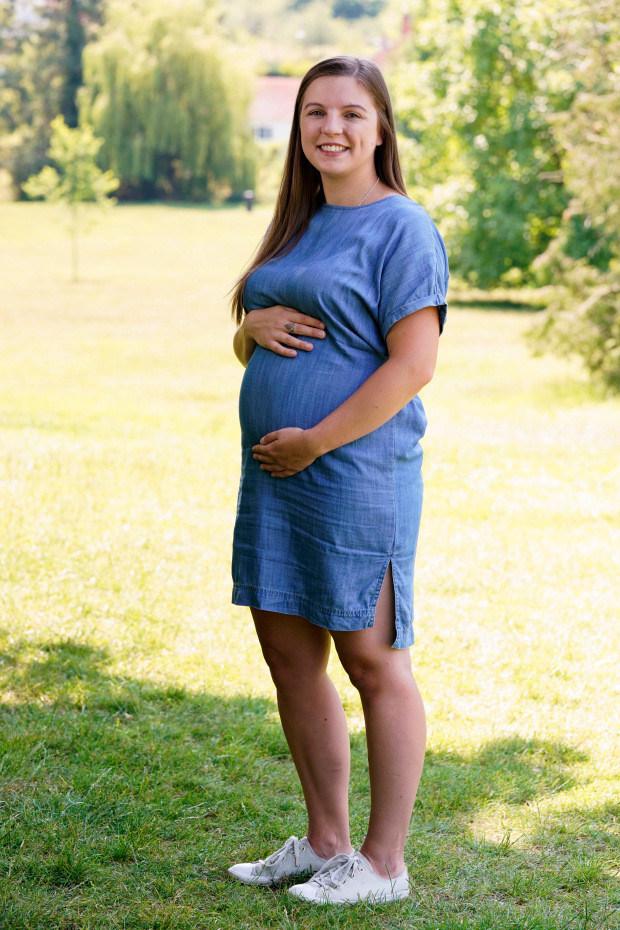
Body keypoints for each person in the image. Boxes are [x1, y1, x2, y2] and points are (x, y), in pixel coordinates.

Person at [227, 55, 449, 905]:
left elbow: (413, 365)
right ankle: (325, 844)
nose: (331, 128)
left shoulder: (403, 228)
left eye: (352, 114)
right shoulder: (297, 221)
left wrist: (315, 440)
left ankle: (383, 863)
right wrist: (250, 327)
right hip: (278, 476)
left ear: (381, 127)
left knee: (372, 660)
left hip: (353, 471)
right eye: (316, 112)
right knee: (289, 657)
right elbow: (268, 335)